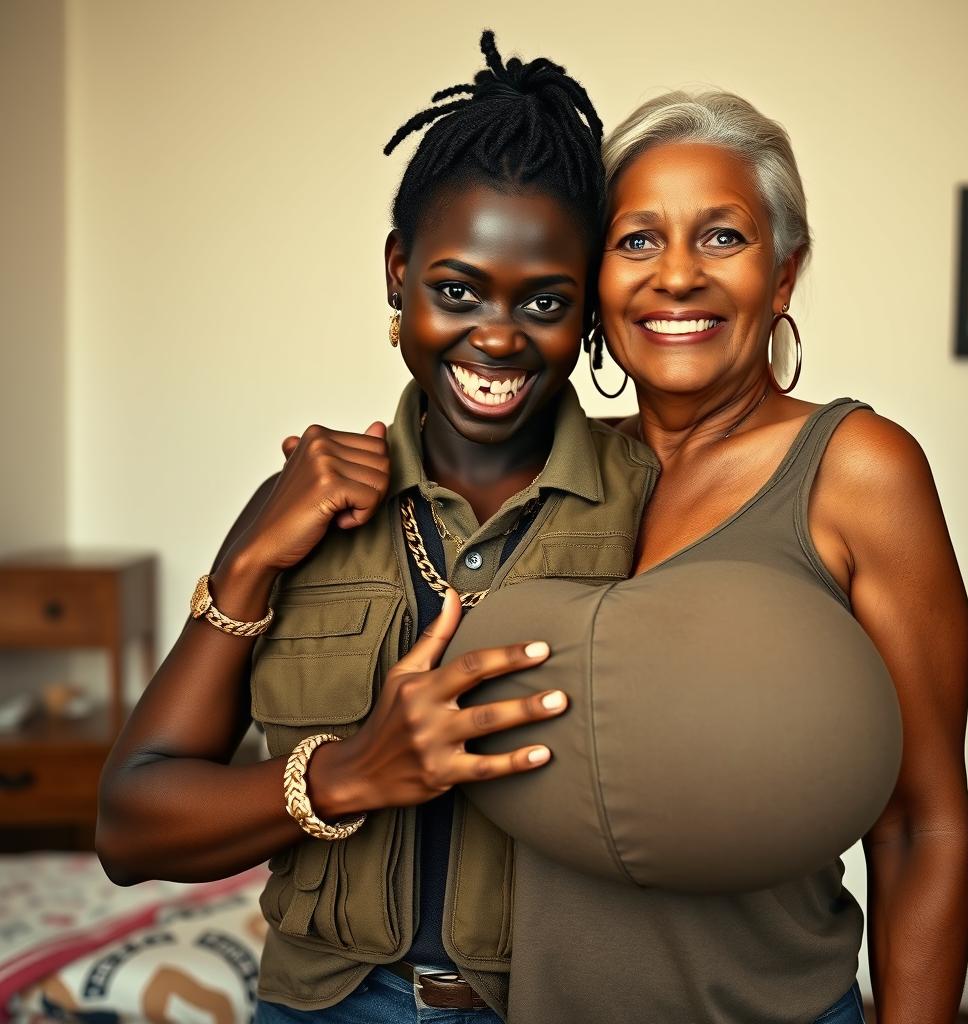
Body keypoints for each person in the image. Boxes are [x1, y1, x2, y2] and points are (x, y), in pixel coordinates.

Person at [95, 32, 659, 1023]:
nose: (496, 335)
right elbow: (131, 824)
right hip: (331, 1006)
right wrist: (351, 765)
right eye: (456, 290)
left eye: (544, 302)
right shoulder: (299, 508)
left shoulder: (657, 496)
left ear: (590, 314)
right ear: (398, 273)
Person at [498, 89, 968, 1024]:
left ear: (784, 274)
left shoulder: (857, 471)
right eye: (637, 240)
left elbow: (924, 824)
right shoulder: (544, 474)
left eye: (722, 237)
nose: (677, 276)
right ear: (593, 278)